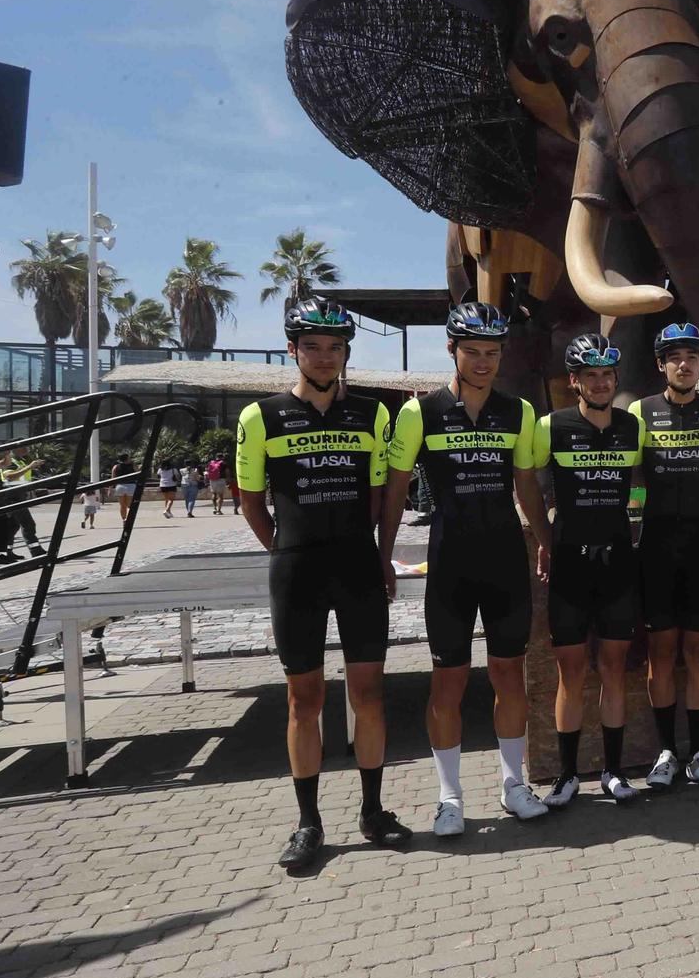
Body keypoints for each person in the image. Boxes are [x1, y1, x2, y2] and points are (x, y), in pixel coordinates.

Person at [236, 297, 410, 869]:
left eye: (335, 346)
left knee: (367, 695)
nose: (325, 355)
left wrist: (383, 556)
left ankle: (372, 810)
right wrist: (286, 552)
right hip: (298, 572)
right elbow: (251, 501)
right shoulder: (260, 417)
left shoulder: (373, 415)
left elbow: (385, 495)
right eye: (312, 345)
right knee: (302, 699)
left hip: (358, 567)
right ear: (293, 348)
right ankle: (309, 822)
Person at [380, 299, 553, 836]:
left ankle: (513, 786)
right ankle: (448, 797)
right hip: (450, 561)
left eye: (492, 352)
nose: (483, 362)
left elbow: (526, 484)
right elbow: (394, 489)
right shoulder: (419, 413)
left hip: (504, 557)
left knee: (509, 676)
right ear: (451, 350)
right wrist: (382, 553)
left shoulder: (518, 411)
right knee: (448, 682)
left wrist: (545, 540)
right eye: (472, 351)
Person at [536, 333, 646, 806]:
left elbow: (641, 483)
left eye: (607, 375)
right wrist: (544, 542)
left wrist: (637, 517)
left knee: (615, 669)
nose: (600, 383)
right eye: (590, 375)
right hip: (570, 563)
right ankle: (566, 774)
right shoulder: (550, 426)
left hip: (618, 560)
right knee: (571, 673)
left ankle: (614, 771)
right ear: (574, 381)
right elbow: (528, 487)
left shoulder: (631, 426)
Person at [628, 323, 699, 789]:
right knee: (661, 656)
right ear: (660, 364)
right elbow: (623, 480)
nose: (684, 364)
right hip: (656, 549)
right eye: (675, 356)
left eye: (692, 355)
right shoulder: (640, 411)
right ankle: (667, 751)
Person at [0, 450, 48, 558]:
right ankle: (35, 550)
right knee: (28, 523)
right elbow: (9, 476)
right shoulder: (10, 461)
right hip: (12, 496)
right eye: (24, 447)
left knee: (12, 526)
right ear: (15, 449)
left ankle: (7, 551)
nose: (27, 449)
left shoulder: (20, 461)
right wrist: (29, 467)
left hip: (18, 495)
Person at [110, 455, 137, 524]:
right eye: (129, 458)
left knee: (122, 505)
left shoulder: (115, 467)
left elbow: (112, 479)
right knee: (130, 505)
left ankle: (124, 519)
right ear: (127, 459)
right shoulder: (132, 466)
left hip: (120, 486)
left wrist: (110, 489)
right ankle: (128, 518)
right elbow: (138, 472)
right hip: (131, 486)